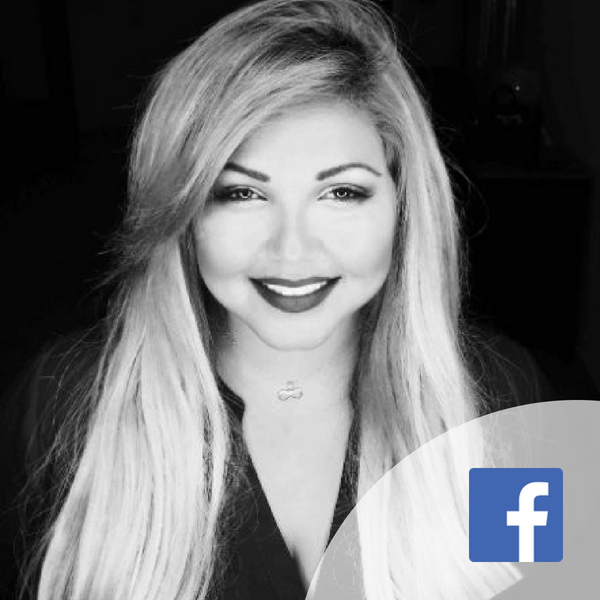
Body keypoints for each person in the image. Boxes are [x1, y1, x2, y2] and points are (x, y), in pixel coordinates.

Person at [4, 0, 547, 598]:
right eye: (241, 193)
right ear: (183, 212)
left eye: (342, 192)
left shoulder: (501, 400)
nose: (292, 250)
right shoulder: (64, 406)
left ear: (403, 203)